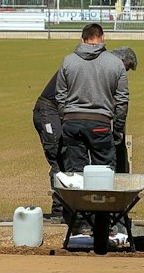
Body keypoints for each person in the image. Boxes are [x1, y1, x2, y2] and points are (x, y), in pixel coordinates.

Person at [54, 24, 129, 175]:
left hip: (72, 123)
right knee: (103, 174)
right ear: (102, 38)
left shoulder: (68, 61)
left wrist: (65, 118)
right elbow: (122, 100)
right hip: (100, 123)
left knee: (75, 175)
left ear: (82, 39)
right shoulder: (115, 63)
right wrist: (118, 128)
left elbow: (60, 95)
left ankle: (77, 199)